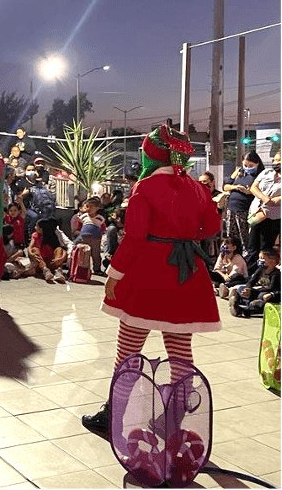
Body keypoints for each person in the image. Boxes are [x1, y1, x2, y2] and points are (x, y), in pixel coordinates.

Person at [82, 124, 222, 435]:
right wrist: (185, 235)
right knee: (180, 352)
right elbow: (212, 226)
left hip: (147, 275)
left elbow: (134, 238)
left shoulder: (144, 188)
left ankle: (113, 414)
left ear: (153, 155)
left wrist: (114, 275)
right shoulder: (197, 188)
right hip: (187, 273)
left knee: (128, 351)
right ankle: (173, 420)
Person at [222, 150, 264, 253]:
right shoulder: (239, 173)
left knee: (244, 237)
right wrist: (235, 187)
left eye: (251, 165)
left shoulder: (259, 176)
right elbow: (226, 186)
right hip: (232, 209)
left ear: (257, 164)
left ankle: (246, 256)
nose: (248, 168)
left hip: (244, 210)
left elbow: (261, 192)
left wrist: (249, 191)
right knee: (231, 237)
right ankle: (233, 255)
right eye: (245, 165)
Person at [246, 152, 281, 274]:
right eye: (274, 160)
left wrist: (275, 200)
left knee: (266, 248)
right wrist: (263, 197)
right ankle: (250, 274)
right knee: (252, 246)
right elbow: (253, 187)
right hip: (257, 213)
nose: (276, 163)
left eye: (279, 161)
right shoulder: (266, 173)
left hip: (272, 217)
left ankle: (264, 275)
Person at [229, 247, 280, 317]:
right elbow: (251, 281)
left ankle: (242, 310)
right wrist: (247, 288)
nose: (260, 261)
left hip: (266, 294)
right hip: (257, 291)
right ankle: (237, 301)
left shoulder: (276, 274)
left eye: (263, 258)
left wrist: (253, 291)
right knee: (241, 288)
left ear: (272, 261)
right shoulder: (260, 270)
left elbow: (271, 288)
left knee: (261, 297)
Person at [28, 217, 70, 283]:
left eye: (37, 226)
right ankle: (45, 271)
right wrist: (31, 253)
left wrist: (61, 258)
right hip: (41, 263)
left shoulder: (52, 237)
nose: (35, 228)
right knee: (34, 249)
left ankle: (58, 271)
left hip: (52, 262)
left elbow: (63, 250)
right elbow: (30, 247)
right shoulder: (35, 235)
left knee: (59, 249)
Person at [73, 197, 106, 275]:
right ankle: (80, 268)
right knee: (82, 253)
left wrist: (101, 236)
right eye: (87, 207)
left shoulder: (100, 218)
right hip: (83, 238)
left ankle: (97, 269)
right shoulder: (83, 217)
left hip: (95, 239)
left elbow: (103, 228)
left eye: (91, 207)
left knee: (96, 255)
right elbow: (79, 225)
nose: (88, 209)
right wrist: (79, 231)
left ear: (97, 208)